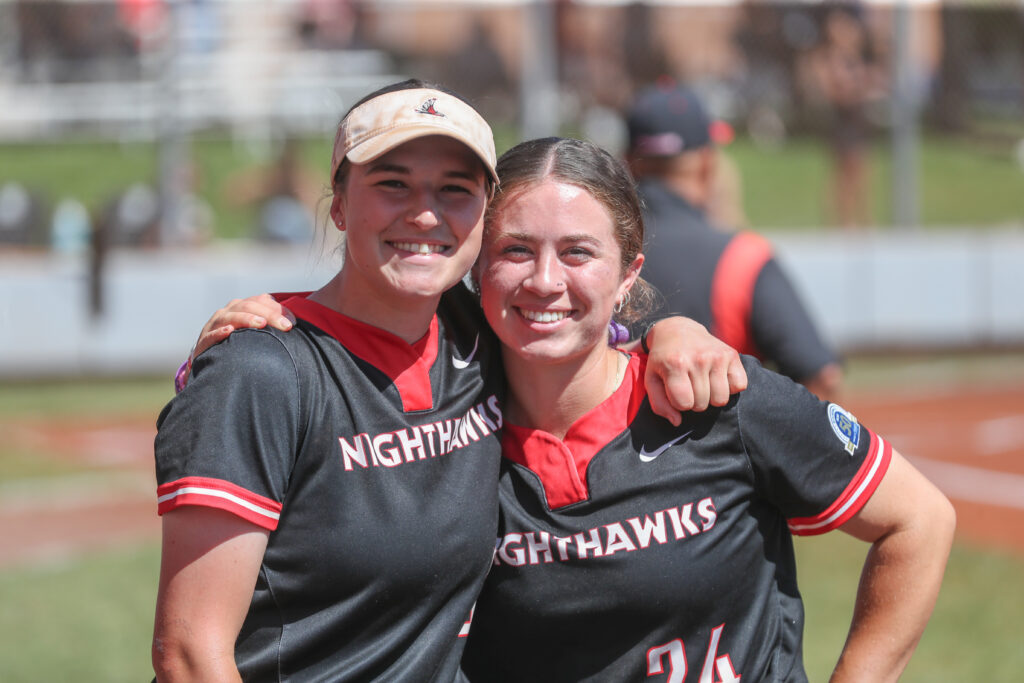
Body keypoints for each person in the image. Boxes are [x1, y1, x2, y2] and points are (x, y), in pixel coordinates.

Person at [152, 80, 747, 682]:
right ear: (337, 201)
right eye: (392, 183)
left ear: (484, 214)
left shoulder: (478, 331)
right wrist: (216, 371)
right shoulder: (260, 370)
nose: (425, 212)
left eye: (455, 190)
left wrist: (672, 332)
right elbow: (189, 655)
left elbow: (586, 337)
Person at [456, 137, 954, 681]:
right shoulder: (444, 435)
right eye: (515, 249)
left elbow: (919, 520)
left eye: (578, 252)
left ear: (627, 274)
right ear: (478, 267)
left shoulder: (720, 400)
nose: (546, 280)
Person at [625, 81, 845, 401]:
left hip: (607, 447)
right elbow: (822, 377)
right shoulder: (742, 257)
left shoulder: (592, 250)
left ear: (626, 160)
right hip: (710, 447)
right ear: (706, 162)